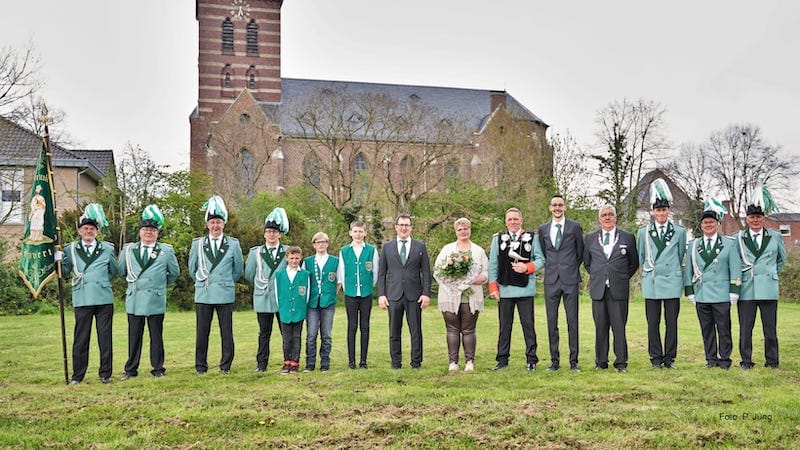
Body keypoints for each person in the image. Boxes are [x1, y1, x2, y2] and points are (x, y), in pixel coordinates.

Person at [117, 205, 180, 380]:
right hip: (135, 298)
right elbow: (121, 271)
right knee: (134, 336)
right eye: (146, 230)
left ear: (157, 233)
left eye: (152, 230)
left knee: (156, 336)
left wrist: (160, 285)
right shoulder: (128, 250)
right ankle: (131, 369)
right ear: (140, 232)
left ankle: (158, 368)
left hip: (155, 298)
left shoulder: (166, 251)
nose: (149, 233)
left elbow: (174, 273)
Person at [58, 203, 118, 384]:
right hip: (82, 297)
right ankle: (78, 375)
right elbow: (65, 271)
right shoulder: (70, 249)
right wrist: (57, 260)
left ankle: (105, 373)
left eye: (92, 229)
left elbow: (113, 271)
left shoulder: (107, 248)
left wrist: (100, 280)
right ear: (79, 231)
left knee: (105, 338)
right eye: (85, 228)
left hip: (103, 298)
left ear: (97, 232)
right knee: (81, 338)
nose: (89, 231)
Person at [684, 198, 741, 370]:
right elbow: (688, 270)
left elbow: (735, 268)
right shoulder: (694, 245)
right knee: (706, 329)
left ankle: (725, 360)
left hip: (721, 294)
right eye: (705, 222)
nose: (708, 225)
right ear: (701, 225)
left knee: (724, 329)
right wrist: (689, 291)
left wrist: (734, 291)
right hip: (702, 293)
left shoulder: (729, 243)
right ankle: (710, 359)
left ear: (717, 224)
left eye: (711, 222)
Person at [189, 195, 243, 375]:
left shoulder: (233, 244)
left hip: (224, 292)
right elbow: (192, 269)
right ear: (207, 224)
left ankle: (225, 365)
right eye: (212, 222)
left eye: (219, 222)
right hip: (204, 293)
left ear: (224, 224)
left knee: (226, 332)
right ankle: (200, 366)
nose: (215, 226)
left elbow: (237, 270)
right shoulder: (197, 244)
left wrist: (225, 282)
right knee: (202, 332)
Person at [734, 185, 785, 369]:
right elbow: (734, 263)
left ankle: (772, 361)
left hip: (768, 288)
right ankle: (746, 361)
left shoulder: (775, 237)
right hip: (746, 288)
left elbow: (781, 260)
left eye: (758, 217)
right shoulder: (737, 238)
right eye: (752, 217)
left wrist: (770, 274)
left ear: (764, 218)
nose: (755, 220)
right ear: (747, 219)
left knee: (770, 328)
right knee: (745, 329)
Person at [488, 207, 545, 371]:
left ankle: (531, 359)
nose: (513, 222)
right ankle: (502, 359)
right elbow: (493, 264)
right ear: (506, 222)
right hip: (505, 289)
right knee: (504, 326)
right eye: (510, 219)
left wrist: (527, 267)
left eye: (515, 219)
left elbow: (541, 259)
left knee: (528, 325)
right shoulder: (497, 239)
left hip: (525, 289)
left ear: (521, 220)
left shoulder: (533, 238)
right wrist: (493, 287)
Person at [637, 179, 687, 369]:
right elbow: (642, 256)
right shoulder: (643, 232)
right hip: (652, 282)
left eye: (664, 210)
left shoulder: (679, 232)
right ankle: (655, 358)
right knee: (653, 323)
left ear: (669, 211)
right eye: (658, 210)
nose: (661, 214)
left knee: (671, 323)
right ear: (652, 212)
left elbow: (680, 255)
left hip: (671, 281)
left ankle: (670, 358)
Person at [583, 204, 639, 373]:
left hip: (618, 290)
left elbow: (633, 263)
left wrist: (620, 276)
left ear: (615, 217)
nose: (607, 218)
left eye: (610, 214)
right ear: (599, 219)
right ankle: (601, 362)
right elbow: (587, 263)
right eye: (604, 215)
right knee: (600, 327)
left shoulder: (627, 237)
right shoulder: (590, 238)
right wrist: (600, 275)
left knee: (619, 327)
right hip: (598, 290)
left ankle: (621, 362)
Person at [433, 217, 488, 372]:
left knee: (468, 329)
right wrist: (454, 282)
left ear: (470, 230)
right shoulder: (447, 249)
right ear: (455, 231)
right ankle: (453, 362)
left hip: (471, 295)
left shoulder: (478, 251)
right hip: (450, 295)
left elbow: (486, 271)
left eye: (466, 229)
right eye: (460, 229)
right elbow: (438, 270)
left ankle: (469, 361)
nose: (463, 232)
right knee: (452, 329)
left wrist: (477, 279)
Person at [377, 213, 432, 370]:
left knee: (415, 331)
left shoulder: (420, 246)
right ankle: (396, 363)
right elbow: (381, 274)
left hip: (414, 295)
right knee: (394, 331)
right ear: (396, 227)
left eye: (407, 225)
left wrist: (426, 294)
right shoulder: (387, 247)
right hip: (393, 295)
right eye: (401, 225)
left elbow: (426, 272)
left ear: (411, 227)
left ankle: (416, 363)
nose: (404, 228)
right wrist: (381, 294)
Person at [538, 195, 584, 372]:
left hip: (570, 279)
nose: (557, 208)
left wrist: (569, 267)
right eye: (554, 205)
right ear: (550, 208)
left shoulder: (575, 227)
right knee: (552, 321)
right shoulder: (543, 229)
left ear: (565, 207)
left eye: (560, 205)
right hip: (551, 280)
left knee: (572, 321)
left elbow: (580, 252)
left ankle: (574, 361)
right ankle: (554, 361)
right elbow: (544, 252)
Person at [244, 207, 289, 373]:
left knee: (286, 332)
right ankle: (261, 364)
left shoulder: (287, 251)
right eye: (268, 231)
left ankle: (289, 361)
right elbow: (249, 274)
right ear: (264, 234)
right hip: (263, 297)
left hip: (282, 298)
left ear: (280, 234)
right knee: (264, 333)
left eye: (274, 232)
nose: (271, 235)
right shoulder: (255, 252)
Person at [337, 220, 379, 369]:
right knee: (352, 326)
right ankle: (351, 361)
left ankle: (363, 361)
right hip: (351, 293)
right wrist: (347, 288)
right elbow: (341, 273)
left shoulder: (371, 250)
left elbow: (375, 272)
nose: (358, 234)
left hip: (366, 293)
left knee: (365, 326)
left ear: (365, 233)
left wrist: (368, 286)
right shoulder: (344, 251)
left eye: (360, 231)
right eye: (355, 231)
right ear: (350, 233)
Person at [303, 231, 339, 372]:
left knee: (326, 334)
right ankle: (310, 363)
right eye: (318, 242)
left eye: (323, 242)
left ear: (327, 244)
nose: (321, 245)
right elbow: (304, 281)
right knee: (311, 334)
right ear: (314, 245)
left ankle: (325, 363)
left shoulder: (335, 261)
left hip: (328, 302)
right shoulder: (307, 262)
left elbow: (338, 281)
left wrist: (330, 294)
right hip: (312, 302)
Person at [274, 246, 310, 374]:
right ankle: (287, 361)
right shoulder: (279, 275)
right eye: (291, 258)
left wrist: (302, 308)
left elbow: (306, 294)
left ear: (300, 259)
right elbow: (277, 294)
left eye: (297, 258)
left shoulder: (305, 274)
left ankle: (295, 362)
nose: (294, 261)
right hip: (285, 311)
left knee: (296, 337)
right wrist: (282, 308)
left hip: (299, 311)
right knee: (286, 338)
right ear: (287, 258)